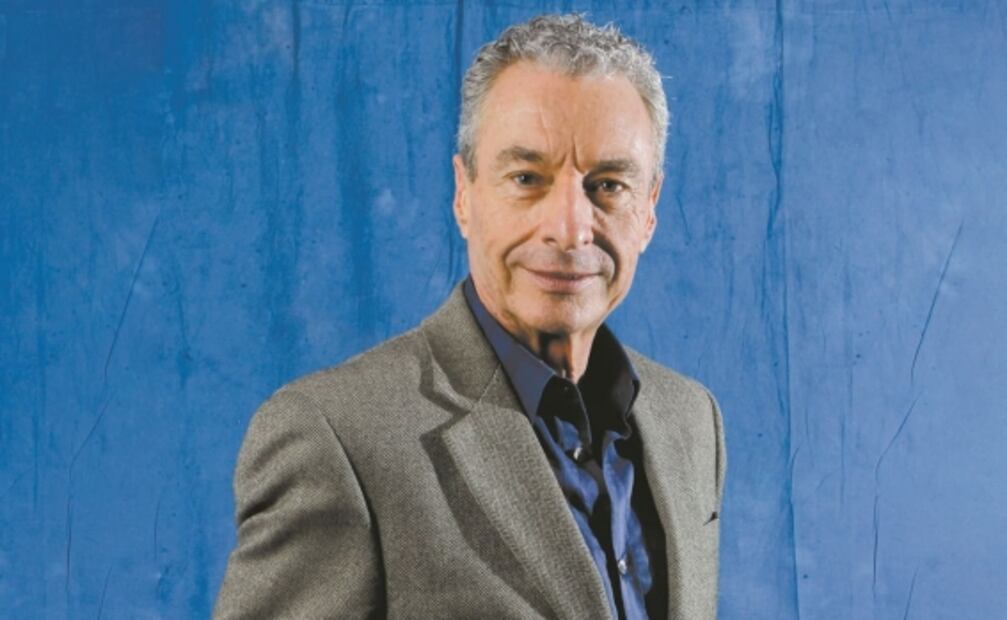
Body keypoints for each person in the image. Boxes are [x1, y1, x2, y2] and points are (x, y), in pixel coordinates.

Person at [215, 13, 725, 620]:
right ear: (464, 193)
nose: (569, 228)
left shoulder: (691, 421)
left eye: (609, 185)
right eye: (527, 178)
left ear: (650, 209)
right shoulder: (336, 440)